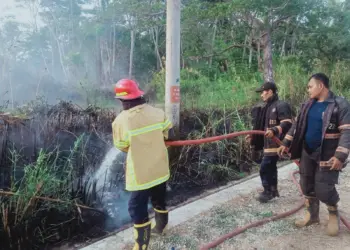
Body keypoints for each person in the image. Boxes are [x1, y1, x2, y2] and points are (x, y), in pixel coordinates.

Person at [277, 73, 350, 236]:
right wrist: (286, 142)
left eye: (310, 86)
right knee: (306, 185)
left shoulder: (340, 105)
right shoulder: (307, 105)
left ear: (321, 86)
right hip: (307, 152)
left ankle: (333, 214)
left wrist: (340, 156)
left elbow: (347, 131)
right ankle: (312, 215)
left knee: (324, 188)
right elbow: (296, 125)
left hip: (328, 154)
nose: (308, 89)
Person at [112, 79, 174, 249]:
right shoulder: (158, 112)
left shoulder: (121, 121)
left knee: (136, 208)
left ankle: (141, 244)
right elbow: (168, 133)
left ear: (123, 100)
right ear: (138, 95)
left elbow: (122, 146)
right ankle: (162, 227)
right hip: (160, 168)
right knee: (159, 198)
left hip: (140, 174)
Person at [247, 81, 293, 203]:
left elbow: (288, 123)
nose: (261, 95)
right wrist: (253, 136)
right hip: (267, 145)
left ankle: (268, 191)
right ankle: (272, 190)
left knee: (265, 167)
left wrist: (274, 130)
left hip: (277, 144)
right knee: (270, 167)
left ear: (270, 91)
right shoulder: (266, 108)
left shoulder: (281, 105)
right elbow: (262, 126)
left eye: (263, 92)